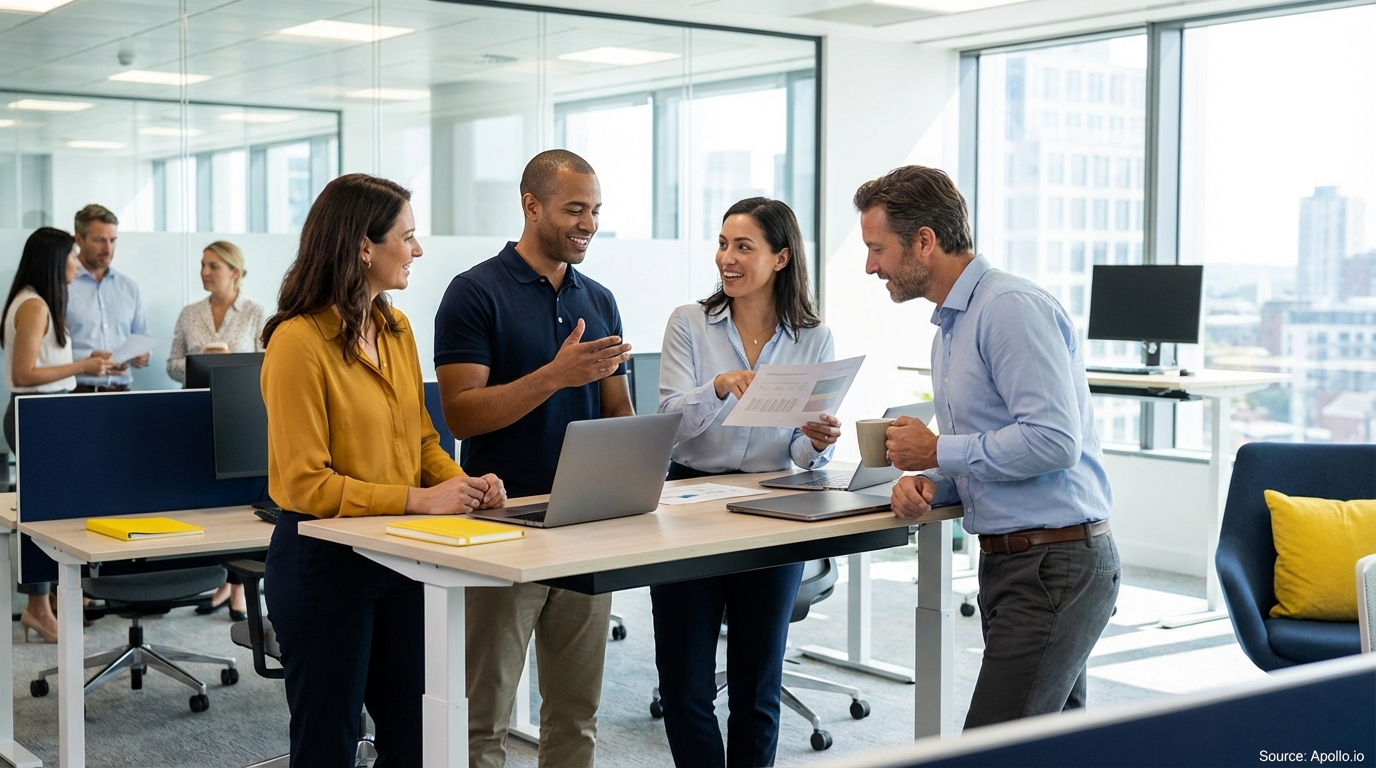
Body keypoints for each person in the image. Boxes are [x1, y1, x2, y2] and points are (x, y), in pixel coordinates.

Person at [854, 165, 1119, 729]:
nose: (870, 266)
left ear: (924, 240)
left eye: (877, 249)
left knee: (991, 748)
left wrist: (937, 452)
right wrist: (932, 484)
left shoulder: (1009, 308)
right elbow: (988, 447)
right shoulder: (951, 329)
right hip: (1014, 562)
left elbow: (1054, 441)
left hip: (1053, 563)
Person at [260, 173, 506, 765]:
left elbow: (421, 440)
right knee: (329, 740)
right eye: (407, 236)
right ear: (363, 247)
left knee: (416, 736)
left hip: (398, 555)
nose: (417, 249)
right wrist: (421, 500)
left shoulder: (395, 329)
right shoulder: (297, 342)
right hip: (324, 563)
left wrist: (460, 484)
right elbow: (305, 484)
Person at [434, 149, 632, 768]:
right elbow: (461, 415)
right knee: (482, 717)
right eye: (575, 209)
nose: (589, 224)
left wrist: (643, 458)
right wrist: (554, 375)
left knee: (576, 713)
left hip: (583, 522)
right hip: (502, 522)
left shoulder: (599, 299)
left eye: (595, 210)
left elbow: (617, 410)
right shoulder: (473, 293)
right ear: (531, 206)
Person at [653, 197, 841, 768]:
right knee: (685, 684)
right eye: (722, 244)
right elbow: (667, 423)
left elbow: (802, 455)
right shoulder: (689, 322)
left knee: (757, 686)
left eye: (743, 247)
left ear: (781, 258)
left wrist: (818, 439)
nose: (726, 259)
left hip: (771, 508)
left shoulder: (813, 338)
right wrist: (717, 387)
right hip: (689, 504)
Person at [2, 227, 118, 643]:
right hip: (37, 415)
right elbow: (23, 374)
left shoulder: (38, 302)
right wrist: (81, 368)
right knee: (42, 517)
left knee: (51, 513)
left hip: (49, 415)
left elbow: (43, 361)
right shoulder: (34, 305)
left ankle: (48, 603)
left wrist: (85, 360)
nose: (76, 262)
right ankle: (38, 606)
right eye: (71, 255)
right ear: (53, 261)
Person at [166, 239, 267, 622]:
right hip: (194, 413)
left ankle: (239, 586)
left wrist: (230, 362)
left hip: (240, 415)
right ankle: (223, 579)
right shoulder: (190, 313)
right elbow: (172, 364)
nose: (204, 272)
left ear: (234, 272)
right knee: (206, 500)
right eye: (203, 265)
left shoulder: (255, 312)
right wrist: (201, 362)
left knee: (239, 501)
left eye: (213, 266)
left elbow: (267, 363)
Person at [66, 204, 151, 392]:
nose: (108, 249)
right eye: (99, 240)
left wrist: (142, 355)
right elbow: (47, 352)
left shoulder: (128, 287)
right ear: (79, 239)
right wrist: (86, 359)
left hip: (121, 391)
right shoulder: (63, 286)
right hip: (76, 392)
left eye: (113, 240)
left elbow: (142, 337)